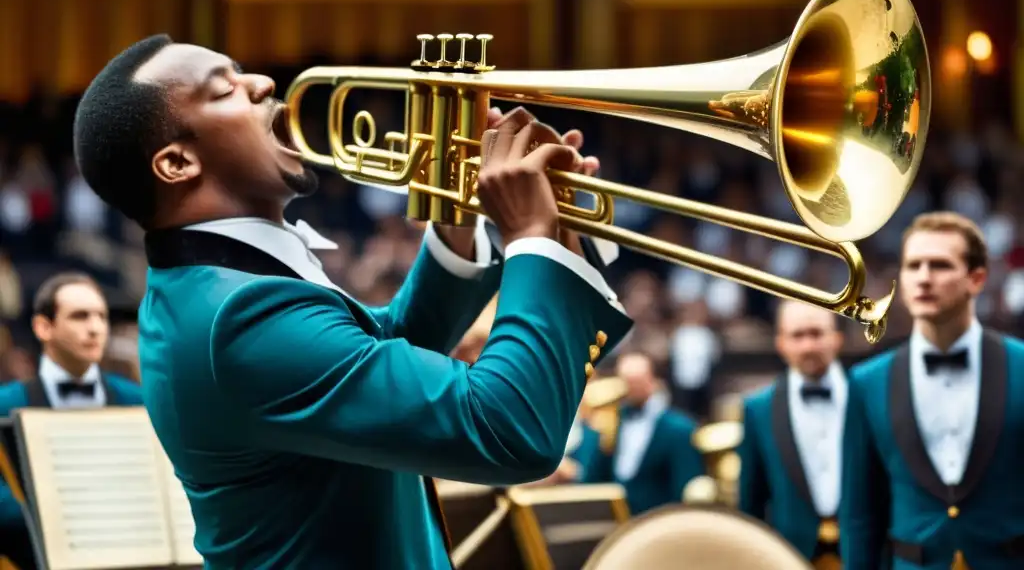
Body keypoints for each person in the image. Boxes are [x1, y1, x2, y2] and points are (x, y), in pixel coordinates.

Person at [71, 35, 634, 569]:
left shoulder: (217, 285)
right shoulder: (243, 321)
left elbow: (372, 361)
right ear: (176, 164)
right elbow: (508, 429)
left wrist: (461, 220)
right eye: (225, 90)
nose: (265, 83)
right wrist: (533, 238)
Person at [840, 211, 1024, 570]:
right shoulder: (866, 382)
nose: (923, 278)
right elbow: (859, 513)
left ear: (976, 278)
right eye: (913, 266)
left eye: (940, 265)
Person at [0, 272, 142, 570]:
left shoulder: (138, 400)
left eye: (101, 317)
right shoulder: (5, 404)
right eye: (80, 316)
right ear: (43, 327)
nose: (95, 328)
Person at [737, 299, 846, 567]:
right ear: (780, 344)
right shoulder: (757, 410)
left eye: (817, 333)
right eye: (798, 335)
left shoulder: (867, 396)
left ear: (837, 339)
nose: (808, 346)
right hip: (788, 556)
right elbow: (751, 500)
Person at [576, 350, 704, 514]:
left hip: (657, 521)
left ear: (653, 381)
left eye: (636, 381)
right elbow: (592, 479)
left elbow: (685, 488)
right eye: (626, 381)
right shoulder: (611, 421)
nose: (630, 387)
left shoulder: (680, 429)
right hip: (615, 520)